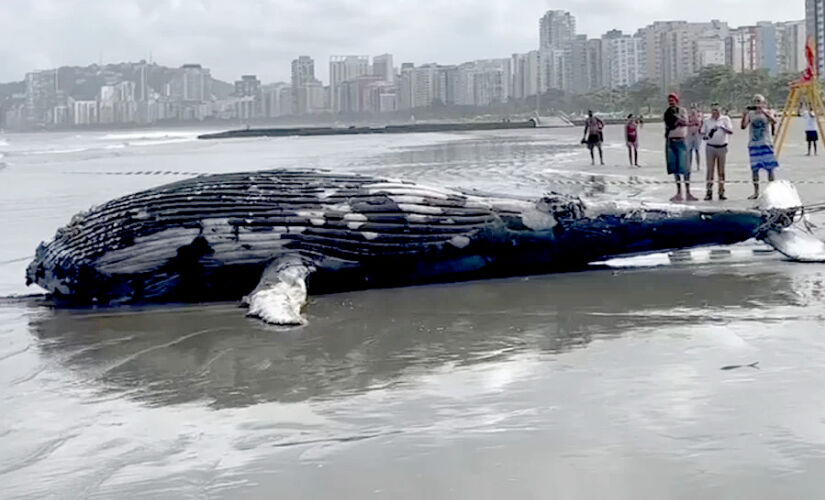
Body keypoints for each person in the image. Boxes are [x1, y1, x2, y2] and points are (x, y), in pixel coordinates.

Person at [741, 94, 779, 200]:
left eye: (759, 101)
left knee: (770, 168)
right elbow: (743, 126)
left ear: (763, 102)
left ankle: (772, 191)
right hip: (754, 144)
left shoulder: (768, 111)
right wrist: (744, 115)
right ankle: (756, 192)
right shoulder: (751, 113)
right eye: (755, 101)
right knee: (755, 169)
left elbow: (774, 121)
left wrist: (764, 112)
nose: (757, 103)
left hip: (766, 143)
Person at [664, 93, 695, 201]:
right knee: (675, 168)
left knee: (685, 167)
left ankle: (688, 192)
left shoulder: (682, 111)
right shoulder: (667, 112)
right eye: (669, 100)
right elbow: (670, 124)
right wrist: (678, 121)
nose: (671, 102)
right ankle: (678, 192)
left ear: (677, 100)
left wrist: (677, 120)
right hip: (671, 141)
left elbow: (684, 122)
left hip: (682, 141)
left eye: (672, 100)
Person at [699, 103, 733, 200]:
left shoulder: (725, 119)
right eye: (713, 110)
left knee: (721, 171)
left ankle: (721, 191)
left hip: (722, 147)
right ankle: (709, 192)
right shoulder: (707, 121)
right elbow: (702, 133)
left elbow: (731, 131)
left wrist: (722, 128)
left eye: (717, 110)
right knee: (710, 170)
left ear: (720, 111)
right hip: (710, 147)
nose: (715, 113)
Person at [687, 104, 704, 171]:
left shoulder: (699, 116)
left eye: (694, 108)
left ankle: (698, 166)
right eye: (691, 108)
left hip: (697, 136)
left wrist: (695, 117)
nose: (692, 110)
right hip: (689, 136)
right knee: (689, 151)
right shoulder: (688, 117)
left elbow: (700, 124)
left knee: (697, 151)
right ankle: (689, 166)